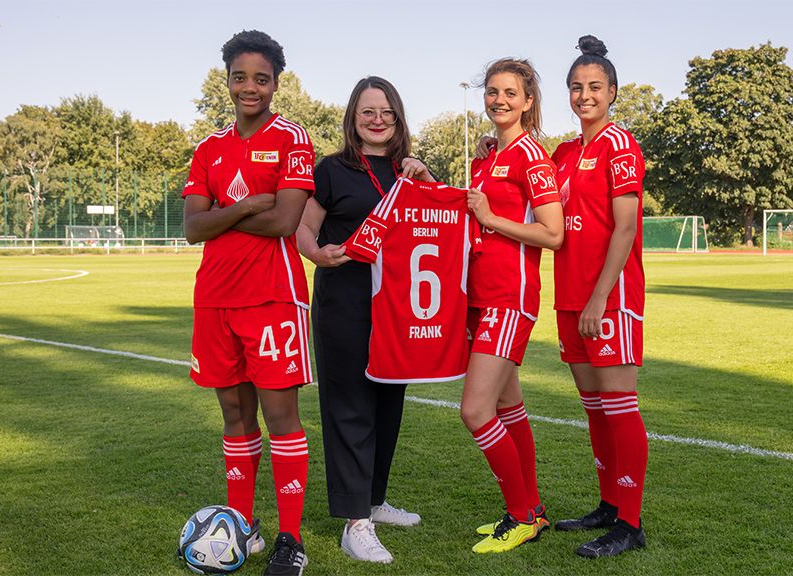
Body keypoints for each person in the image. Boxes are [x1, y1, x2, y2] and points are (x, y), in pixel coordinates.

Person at [182, 29, 314, 576]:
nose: (250, 87)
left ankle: (290, 538)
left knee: (281, 417)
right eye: (241, 77)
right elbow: (192, 228)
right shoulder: (208, 146)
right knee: (235, 416)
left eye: (261, 78)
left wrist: (224, 211)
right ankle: (241, 527)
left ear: (276, 83)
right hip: (215, 298)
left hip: (273, 298)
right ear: (228, 80)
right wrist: (247, 205)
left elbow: (286, 221)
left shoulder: (293, 139)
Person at [294, 76, 432, 564]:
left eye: (386, 112)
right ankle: (355, 523)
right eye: (367, 112)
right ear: (354, 118)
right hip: (346, 305)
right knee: (350, 406)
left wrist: (424, 179)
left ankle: (374, 500)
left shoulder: (408, 171)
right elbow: (304, 230)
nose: (377, 120)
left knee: (387, 406)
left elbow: (438, 221)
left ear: (398, 118)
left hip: (397, 310)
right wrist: (318, 255)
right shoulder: (331, 169)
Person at [549, 35, 649, 558]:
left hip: (609, 298)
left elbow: (626, 228)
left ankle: (629, 524)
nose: (584, 95)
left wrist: (599, 298)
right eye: (575, 87)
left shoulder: (621, 145)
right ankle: (609, 504)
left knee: (619, 406)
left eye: (594, 87)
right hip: (569, 296)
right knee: (594, 409)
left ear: (612, 91)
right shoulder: (564, 153)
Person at [462, 58, 564, 554]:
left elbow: (554, 234)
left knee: (476, 410)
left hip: (510, 296)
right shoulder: (488, 159)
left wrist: (491, 218)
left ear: (527, 101)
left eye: (510, 93)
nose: (499, 100)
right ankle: (535, 510)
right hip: (481, 298)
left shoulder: (532, 157)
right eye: (492, 92)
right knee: (508, 406)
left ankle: (520, 514)